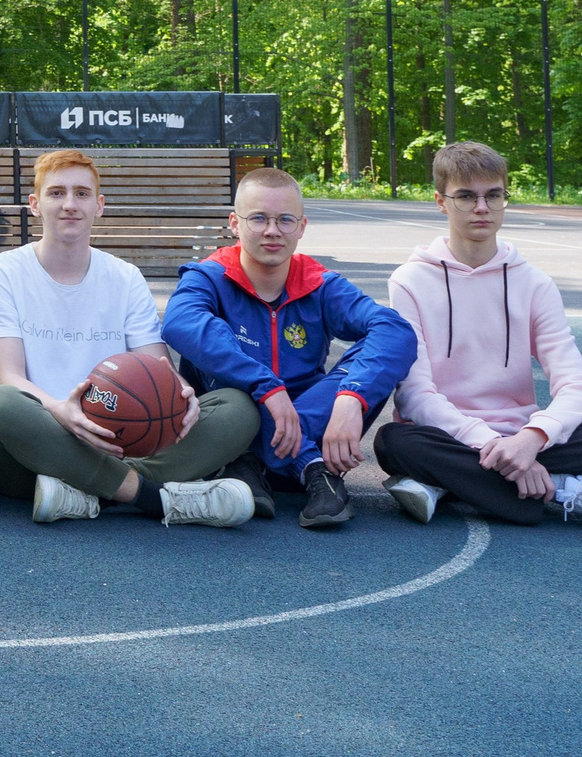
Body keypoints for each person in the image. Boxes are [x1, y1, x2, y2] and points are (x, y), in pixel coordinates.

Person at [0, 149, 259, 528]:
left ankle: (93, 493)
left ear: (99, 205)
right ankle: (155, 498)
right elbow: (9, 376)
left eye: (81, 193)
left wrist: (182, 394)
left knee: (238, 407)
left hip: (122, 441)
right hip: (42, 440)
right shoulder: (2, 273)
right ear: (35, 205)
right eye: (56, 193)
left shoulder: (125, 276)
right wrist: (62, 412)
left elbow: (158, 367)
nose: (69, 204)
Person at [373, 141, 582, 535]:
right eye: (466, 196)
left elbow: (579, 387)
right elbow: (415, 394)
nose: (482, 208)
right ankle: (563, 488)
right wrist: (488, 443)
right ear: (441, 202)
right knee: (393, 441)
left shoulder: (534, 284)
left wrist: (531, 439)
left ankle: (447, 482)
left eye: (493, 195)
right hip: (446, 434)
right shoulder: (409, 281)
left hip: (520, 437)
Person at [162, 166, 417, 529]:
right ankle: (313, 468)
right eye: (258, 218)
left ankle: (256, 462)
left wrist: (351, 398)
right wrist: (266, 386)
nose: (272, 230)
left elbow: (395, 331)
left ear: (301, 227)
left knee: (372, 360)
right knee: (209, 342)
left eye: (285, 219)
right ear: (234, 223)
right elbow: (179, 322)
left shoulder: (320, 284)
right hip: (241, 420)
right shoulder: (210, 276)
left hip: (310, 420)